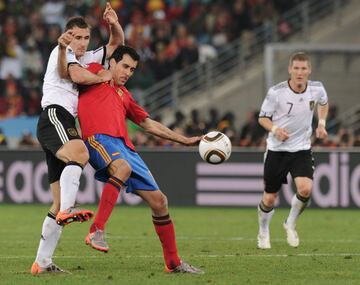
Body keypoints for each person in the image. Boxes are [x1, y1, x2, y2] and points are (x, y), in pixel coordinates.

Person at [77, 45, 204, 274]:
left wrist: (183, 140)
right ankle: (97, 229)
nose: (128, 72)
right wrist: (113, 27)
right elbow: (72, 70)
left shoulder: (125, 95)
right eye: (124, 66)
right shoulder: (95, 72)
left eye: (133, 69)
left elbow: (147, 123)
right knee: (122, 168)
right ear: (112, 62)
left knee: (160, 201)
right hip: (98, 139)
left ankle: (173, 262)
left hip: (126, 147)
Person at [31, 3, 125, 275]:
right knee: (81, 153)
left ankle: (42, 263)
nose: (82, 42)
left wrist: (113, 24)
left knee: (57, 203)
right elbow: (69, 73)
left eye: (85, 38)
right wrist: (102, 76)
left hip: (60, 122)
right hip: (55, 116)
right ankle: (70, 208)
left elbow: (117, 43)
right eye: (76, 37)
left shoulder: (85, 56)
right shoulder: (62, 52)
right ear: (66, 36)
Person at [257, 52, 329, 249]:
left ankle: (290, 223)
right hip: (277, 149)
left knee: (306, 189)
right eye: (296, 68)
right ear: (290, 69)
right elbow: (262, 117)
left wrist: (321, 123)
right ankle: (263, 231)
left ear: (309, 70)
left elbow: (323, 103)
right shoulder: (276, 92)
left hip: (301, 148)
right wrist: (274, 129)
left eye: (303, 68)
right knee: (270, 198)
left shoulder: (317, 88)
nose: (300, 72)